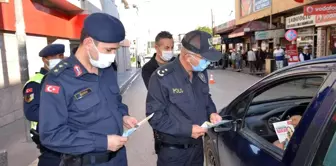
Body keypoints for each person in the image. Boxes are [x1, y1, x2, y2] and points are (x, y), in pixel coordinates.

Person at [39, 13, 138, 166]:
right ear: (88, 43)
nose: (112, 56)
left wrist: (124, 115)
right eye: (108, 50)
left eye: (115, 50)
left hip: (118, 159)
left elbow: (115, 101)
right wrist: (102, 143)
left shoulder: (106, 69)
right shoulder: (59, 79)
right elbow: (52, 135)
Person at [146, 30, 223, 166]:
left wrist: (212, 112)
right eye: (204, 59)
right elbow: (155, 117)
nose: (208, 63)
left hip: (197, 148)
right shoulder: (162, 77)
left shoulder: (201, 73)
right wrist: (187, 130)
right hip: (174, 153)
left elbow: (206, 98)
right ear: (188, 57)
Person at [23, 44, 64, 166]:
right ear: (44, 59)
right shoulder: (35, 83)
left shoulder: (62, 78)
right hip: (47, 138)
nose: (59, 59)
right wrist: (62, 113)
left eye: (61, 56)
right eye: (54, 57)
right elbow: (32, 112)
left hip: (66, 136)